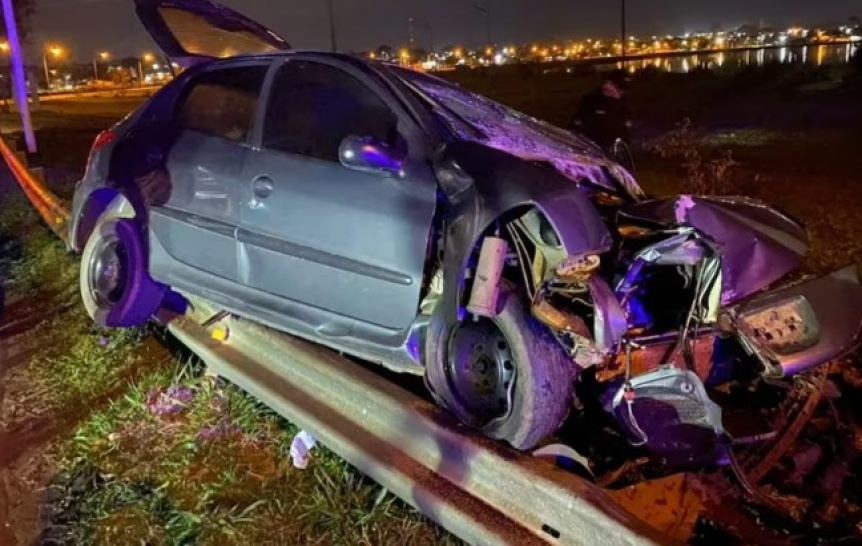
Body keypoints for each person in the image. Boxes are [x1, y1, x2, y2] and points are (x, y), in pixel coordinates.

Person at [569, 69, 633, 151]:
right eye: (613, 85)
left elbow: (625, 135)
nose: (617, 92)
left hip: (613, 154)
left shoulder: (624, 107)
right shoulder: (591, 102)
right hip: (590, 150)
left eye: (620, 90)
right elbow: (576, 127)